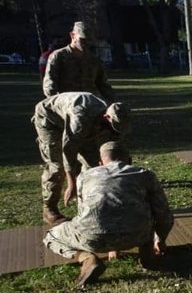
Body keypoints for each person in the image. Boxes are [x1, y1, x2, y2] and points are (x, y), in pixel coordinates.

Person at [43, 141, 174, 288]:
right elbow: (163, 213)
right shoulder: (145, 174)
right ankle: (147, 255)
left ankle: (87, 258)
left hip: (93, 239)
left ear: (100, 163)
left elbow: (88, 214)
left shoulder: (84, 176)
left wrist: (111, 245)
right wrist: (160, 240)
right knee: (144, 218)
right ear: (129, 161)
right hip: (138, 235)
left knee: (51, 236)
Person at [33, 92, 132, 226]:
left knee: (93, 166)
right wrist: (71, 184)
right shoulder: (82, 117)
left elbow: (115, 147)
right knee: (57, 166)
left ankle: (90, 209)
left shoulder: (112, 117)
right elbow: (68, 150)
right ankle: (49, 209)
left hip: (81, 123)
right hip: (50, 120)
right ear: (106, 117)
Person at [42, 21, 115, 102]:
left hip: (92, 104)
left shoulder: (94, 60)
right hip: (68, 103)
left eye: (89, 40)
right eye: (83, 40)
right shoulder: (59, 56)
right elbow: (49, 83)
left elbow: (103, 85)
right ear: (72, 35)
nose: (86, 43)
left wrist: (111, 103)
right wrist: (56, 102)